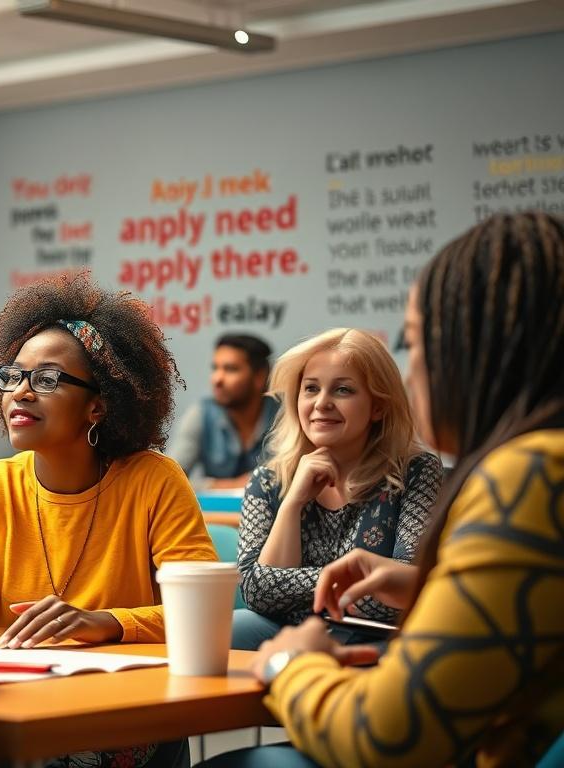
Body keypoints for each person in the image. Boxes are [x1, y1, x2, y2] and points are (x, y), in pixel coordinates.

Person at [199, 212, 564, 768]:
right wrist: (413, 582)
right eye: (311, 389)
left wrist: (289, 665)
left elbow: (387, 736)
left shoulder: (530, 477)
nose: (414, 372)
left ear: (482, 349)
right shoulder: (537, 469)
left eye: (415, 343)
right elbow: (258, 588)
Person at [0, 271, 219, 768]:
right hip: (19, 702)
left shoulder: (154, 480)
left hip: (123, 709)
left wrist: (104, 624)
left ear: (98, 406)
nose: (20, 392)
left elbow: (201, 620)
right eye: (12, 375)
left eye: (46, 379)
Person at [233, 328, 443, 650]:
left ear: (378, 407)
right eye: (311, 389)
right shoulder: (267, 480)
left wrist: (298, 590)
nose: (322, 403)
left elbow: (402, 588)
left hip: (376, 634)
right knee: (232, 627)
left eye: (342, 390)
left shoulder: (416, 471)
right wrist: (293, 503)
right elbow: (257, 592)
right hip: (289, 630)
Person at [169, 334, 279, 489]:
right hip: (214, 513)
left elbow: (290, 480)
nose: (217, 379)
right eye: (215, 368)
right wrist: (229, 485)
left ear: (259, 377)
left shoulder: (284, 417)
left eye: (230, 369)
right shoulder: (201, 414)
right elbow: (169, 480)